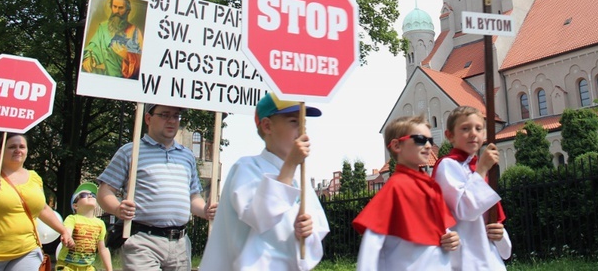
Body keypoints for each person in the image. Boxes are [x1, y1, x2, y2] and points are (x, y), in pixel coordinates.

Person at [199, 92, 329, 271]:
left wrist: (307, 231)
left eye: (304, 124)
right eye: (294, 122)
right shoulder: (246, 168)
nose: (302, 131)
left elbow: (316, 227)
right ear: (268, 126)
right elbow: (259, 217)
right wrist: (290, 164)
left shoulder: (300, 176)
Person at [97, 103, 217, 271]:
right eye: (165, 115)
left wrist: (205, 210)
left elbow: (193, 197)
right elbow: (104, 191)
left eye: (176, 116)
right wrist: (118, 209)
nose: (171, 121)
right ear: (148, 118)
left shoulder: (187, 156)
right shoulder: (131, 151)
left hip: (180, 245)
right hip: (142, 241)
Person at [352, 115, 460, 270]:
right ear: (397, 146)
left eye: (430, 140)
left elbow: (440, 229)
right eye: (420, 139)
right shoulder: (395, 186)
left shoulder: (431, 186)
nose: (429, 146)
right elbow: (372, 242)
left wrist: (452, 238)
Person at [432, 106, 512, 271]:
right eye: (465, 128)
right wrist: (482, 169)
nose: (473, 133)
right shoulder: (447, 166)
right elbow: (464, 210)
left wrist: (500, 234)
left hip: (490, 259)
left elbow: (505, 250)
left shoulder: (477, 169)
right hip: (464, 258)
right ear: (450, 135)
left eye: (478, 128)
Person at [0, 133, 75, 270]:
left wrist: (63, 231)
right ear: (0, 151)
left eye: (22, 146)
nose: (18, 150)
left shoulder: (34, 177)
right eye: (11, 147)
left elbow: (43, 209)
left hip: (27, 251)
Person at [82, 0, 143, 79]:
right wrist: (88, 58)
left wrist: (126, 55)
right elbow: (93, 47)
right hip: (102, 77)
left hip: (122, 81)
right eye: (115, 7)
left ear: (128, 11)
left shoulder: (134, 31)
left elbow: (141, 62)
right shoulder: (102, 27)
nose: (117, 11)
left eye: (121, 8)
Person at [56, 182, 113, 271]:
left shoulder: (100, 224)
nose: (90, 195)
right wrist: (68, 238)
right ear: (75, 206)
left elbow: (103, 249)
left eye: (93, 195)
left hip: (88, 268)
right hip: (67, 266)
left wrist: (109, 269)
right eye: (84, 195)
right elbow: (67, 232)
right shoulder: (72, 218)